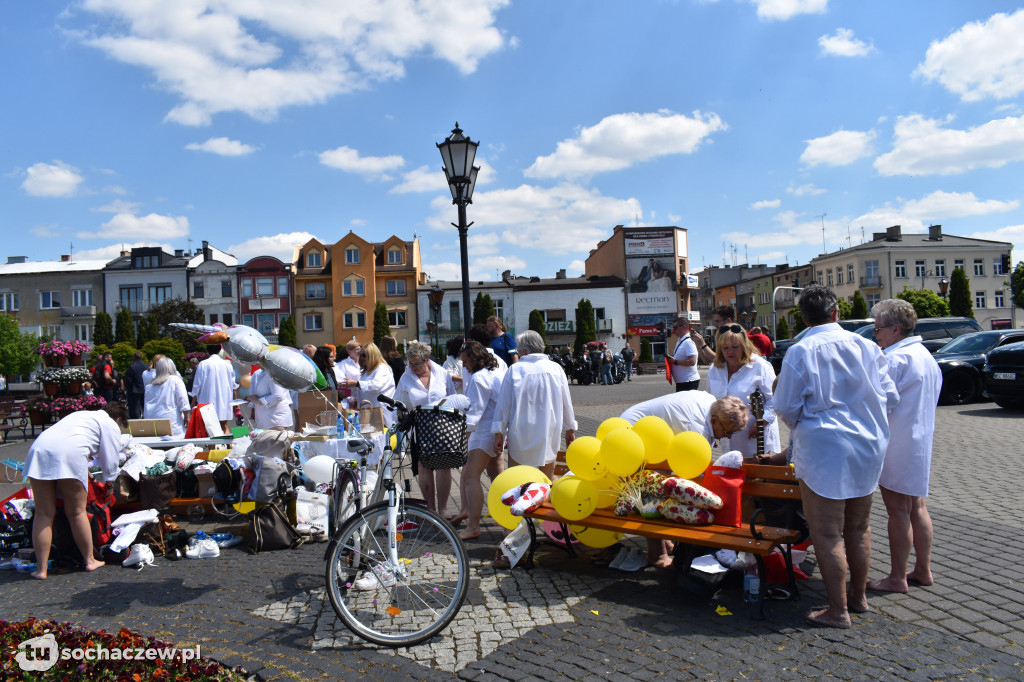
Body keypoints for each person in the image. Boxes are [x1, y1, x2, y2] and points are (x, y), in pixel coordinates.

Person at [774, 284, 898, 628]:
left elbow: (785, 406)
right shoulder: (868, 346)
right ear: (836, 313)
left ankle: (838, 610)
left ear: (802, 317)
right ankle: (857, 599)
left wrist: (805, 424)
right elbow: (890, 396)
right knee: (859, 528)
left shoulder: (801, 350)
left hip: (825, 447)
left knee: (827, 533)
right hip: (868, 443)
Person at [621, 391, 749, 567]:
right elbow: (688, 481)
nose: (728, 437)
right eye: (727, 432)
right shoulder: (695, 429)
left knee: (663, 485)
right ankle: (657, 555)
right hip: (632, 434)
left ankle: (664, 543)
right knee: (653, 487)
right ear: (714, 421)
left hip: (647, 429)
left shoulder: (713, 405)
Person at [866, 299, 942, 594]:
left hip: (897, 443)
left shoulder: (895, 359)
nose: (876, 334)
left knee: (898, 511)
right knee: (917, 508)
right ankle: (923, 568)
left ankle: (897, 577)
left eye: (879, 328)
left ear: (896, 329)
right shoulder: (924, 354)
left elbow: (882, 401)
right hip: (920, 441)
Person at [491, 330, 577, 568]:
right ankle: (545, 529)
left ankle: (518, 538)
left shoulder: (515, 370)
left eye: (518, 349)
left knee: (518, 488)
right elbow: (566, 400)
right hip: (549, 433)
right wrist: (570, 428)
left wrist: (499, 432)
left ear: (525, 350)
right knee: (545, 485)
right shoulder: (556, 369)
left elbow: (504, 405)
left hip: (521, 434)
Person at [24, 402, 128, 579]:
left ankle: (41, 569)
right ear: (118, 419)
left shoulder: (81, 416)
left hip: (39, 449)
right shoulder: (110, 424)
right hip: (69, 455)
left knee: (43, 514)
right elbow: (110, 459)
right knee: (76, 512)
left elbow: (68, 440)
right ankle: (89, 560)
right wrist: (109, 485)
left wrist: (86, 472)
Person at [394, 342, 457, 517]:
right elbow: (398, 402)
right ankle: (430, 508)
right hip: (420, 426)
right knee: (423, 467)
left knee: (443, 466)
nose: (413, 367)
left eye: (417, 364)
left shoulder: (442, 373)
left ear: (427, 360)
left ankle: (443, 508)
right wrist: (401, 415)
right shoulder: (406, 377)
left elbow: (453, 397)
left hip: (443, 424)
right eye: (410, 363)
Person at [453, 340, 507, 540]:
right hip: (495, 431)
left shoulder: (478, 379)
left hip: (483, 432)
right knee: (496, 477)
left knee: (470, 476)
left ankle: (473, 525)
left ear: (474, 360)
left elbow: (475, 412)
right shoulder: (495, 373)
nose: (464, 366)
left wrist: (463, 437)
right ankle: (503, 518)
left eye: (466, 362)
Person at [706, 325, 781, 459]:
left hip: (754, 437)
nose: (730, 352)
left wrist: (762, 421)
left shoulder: (760, 366)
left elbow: (775, 399)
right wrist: (712, 430)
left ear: (744, 345)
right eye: (725, 348)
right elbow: (709, 401)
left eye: (735, 347)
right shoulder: (715, 369)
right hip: (726, 438)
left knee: (756, 476)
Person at [339, 342, 396, 429]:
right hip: (368, 411)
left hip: (381, 412)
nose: (362, 358)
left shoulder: (382, 368)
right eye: (360, 355)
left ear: (372, 355)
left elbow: (377, 385)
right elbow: (363, 389)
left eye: (364, 355)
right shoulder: (366, 371)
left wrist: (356, 383)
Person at [189, 344, 238, 433]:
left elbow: (197, 385)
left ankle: (213, 447)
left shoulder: (203, 364)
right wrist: (236, 404)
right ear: (220, 351)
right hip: (224, 400)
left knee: (210, 430)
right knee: (224, 426)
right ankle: (228, 446)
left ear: (208, 351)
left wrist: (193, 402)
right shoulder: (227, 365)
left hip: (207, 401)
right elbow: (233, 386)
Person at [144, 357, 191, 437]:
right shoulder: (176, 380)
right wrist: (187, 416)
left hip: (152, 425)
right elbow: (183, 400)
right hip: (171, 424)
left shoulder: (149, 386)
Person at [668, 318, 700, 391]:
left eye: (675, 327)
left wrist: (675, 362)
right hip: (683, 381)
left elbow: (692, 361)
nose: (673, 330)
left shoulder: (688, 342)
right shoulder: (680, 340)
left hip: (688, 381)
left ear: (683, 327)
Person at [124, 351, 148, 419]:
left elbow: (128, 380)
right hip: (145, 389)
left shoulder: (132, 367)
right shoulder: (146, 367)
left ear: (134, 358)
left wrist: (127, 388)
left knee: (134, 409)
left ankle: (135, 423)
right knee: (145, 408)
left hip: (134, 390)